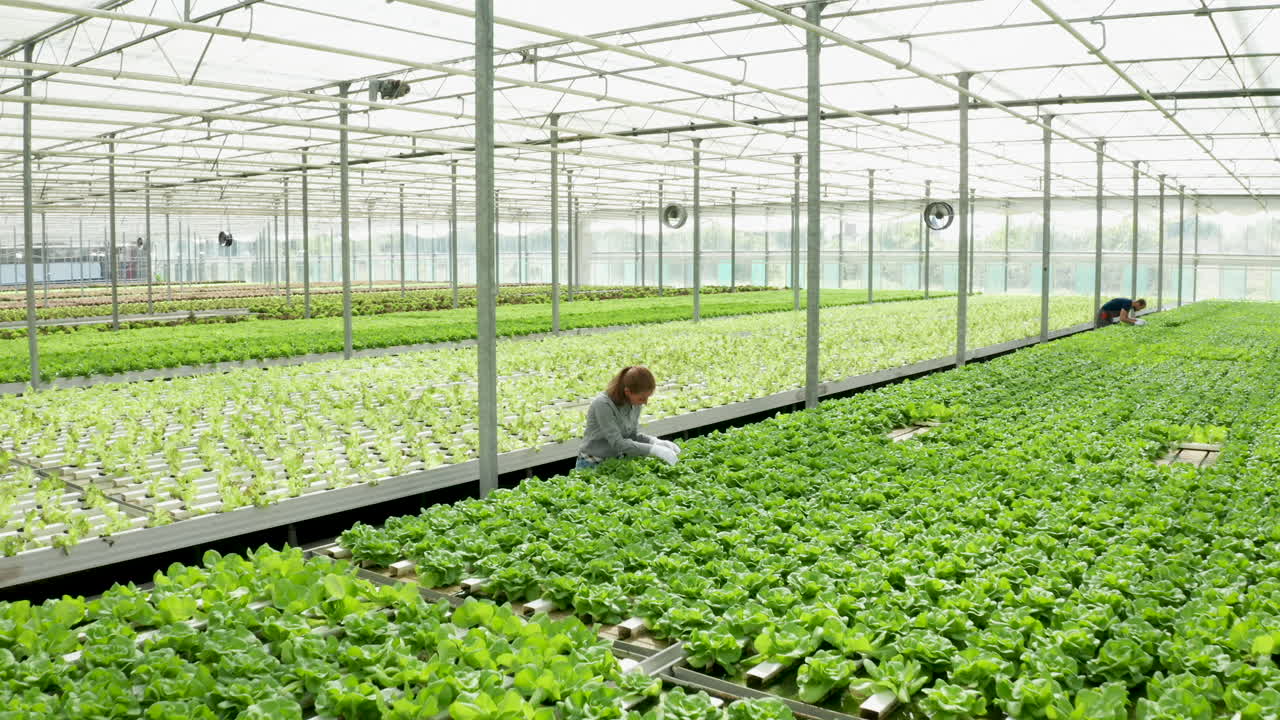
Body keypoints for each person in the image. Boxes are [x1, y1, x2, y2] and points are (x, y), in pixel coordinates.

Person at [576, 365, 681, 470]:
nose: (645, 402)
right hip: (592, 462)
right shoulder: (603, 404)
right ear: (627, 392)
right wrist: (654, 450)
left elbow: (631, 436)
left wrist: (655, 441)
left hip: (615, 461)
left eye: (647, 397)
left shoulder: (635, 403)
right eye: (641, 398)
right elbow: (617, 443)